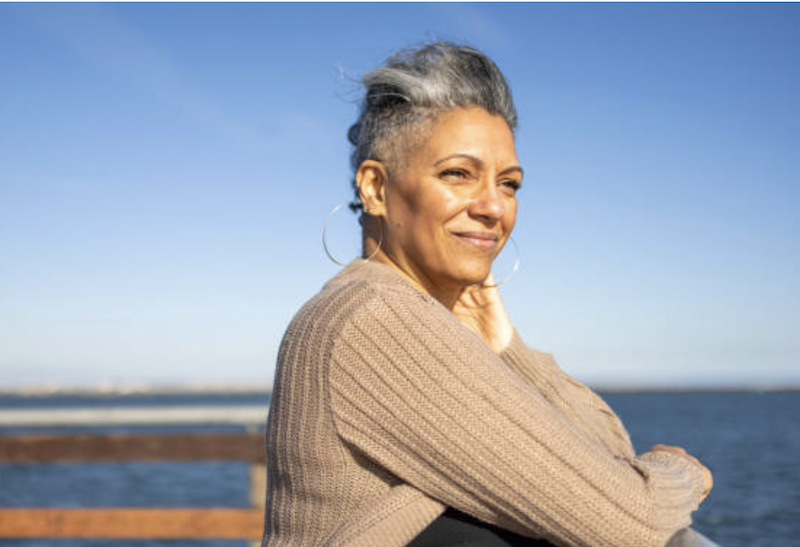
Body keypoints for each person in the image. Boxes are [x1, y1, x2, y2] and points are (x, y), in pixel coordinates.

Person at [262, 42, 715, 547]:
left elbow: (611, 456)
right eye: (458, 174)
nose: (494, 207)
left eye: (509, 183)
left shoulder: (403, 315)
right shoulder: (372, 319)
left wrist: (506, 349)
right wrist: (682, 472)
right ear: (375, 187)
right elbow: (634, 523)